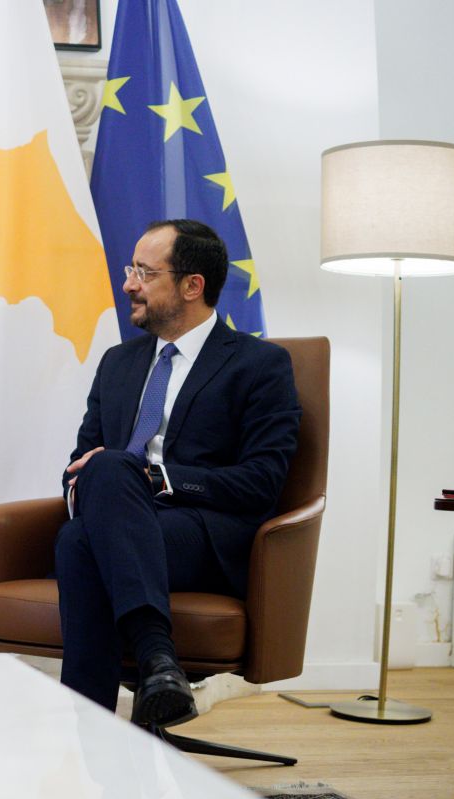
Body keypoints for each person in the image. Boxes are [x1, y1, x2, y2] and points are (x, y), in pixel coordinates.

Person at [55, 219, 299, 726]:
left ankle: (87, 731)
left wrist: (161, 478)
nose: (128, 284)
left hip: (202, 533)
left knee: (83, 537)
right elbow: (79, 465)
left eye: (144, 272)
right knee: (89, 519)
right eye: (131, 269)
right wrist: (98, 477)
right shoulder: (118, 363)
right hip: (122, 519)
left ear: (193, 286)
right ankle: (158, 662)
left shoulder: (260, 365)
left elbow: (262, 482)